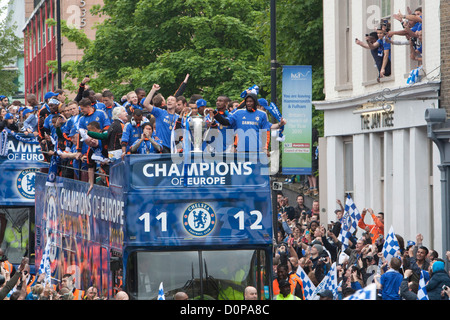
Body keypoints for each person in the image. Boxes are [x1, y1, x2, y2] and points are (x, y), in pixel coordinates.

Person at [211, 92, 286, 153]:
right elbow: (225, 122)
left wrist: (265, 148)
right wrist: (215, 113)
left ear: (255, 102)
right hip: (241, 150)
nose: (249, 103)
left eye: (251, 101)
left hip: (257, 150)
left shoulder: (262, 114)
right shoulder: (238, 113)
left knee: (256, 171)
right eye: (247, 102)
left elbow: (265, 132)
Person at [143, 84, 182, 153]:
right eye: (168, 100)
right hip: (162, 147)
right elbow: (146, 104)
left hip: (174, 148)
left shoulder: (178, 117)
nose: (169, 101)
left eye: (172, 100)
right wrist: (153, 90)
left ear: (176, 104)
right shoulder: (160, 112)